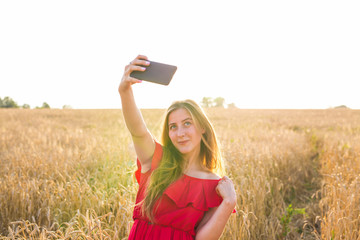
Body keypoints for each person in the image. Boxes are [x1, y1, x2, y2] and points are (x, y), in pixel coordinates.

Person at [119, 55, 237, 240]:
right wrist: (125, 91)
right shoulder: (156, 159)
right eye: (173, 126)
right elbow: (138, 131)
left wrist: (229, 202)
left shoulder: (215, 185)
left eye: (187, 123)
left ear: (203, 127)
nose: (180, 132)